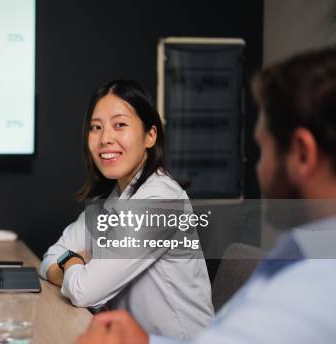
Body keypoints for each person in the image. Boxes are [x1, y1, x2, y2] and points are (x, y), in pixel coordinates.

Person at [76, 48, 336, 344]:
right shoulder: (300, 252)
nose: (260, 169)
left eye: (263, 150)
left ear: (302, 154)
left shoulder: (317, 285)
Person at [39, 80, 214, 339]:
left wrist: (73, 263)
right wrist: (74, 267)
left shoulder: (160, 201)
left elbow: (83, 291)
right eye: (95, 127)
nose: (105, 138)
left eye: (119, 125)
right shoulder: (114, 198)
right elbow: (48, 259)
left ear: (150, 136)